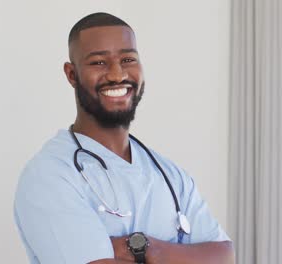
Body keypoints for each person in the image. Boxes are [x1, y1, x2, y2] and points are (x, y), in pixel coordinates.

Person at [14, 12, 234, 264]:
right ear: (72, 74)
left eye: (128, 59)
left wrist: (146, 248)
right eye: (98, 62)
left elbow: (224, 255)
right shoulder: (51, 175)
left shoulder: (169, 175)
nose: (117, 74)